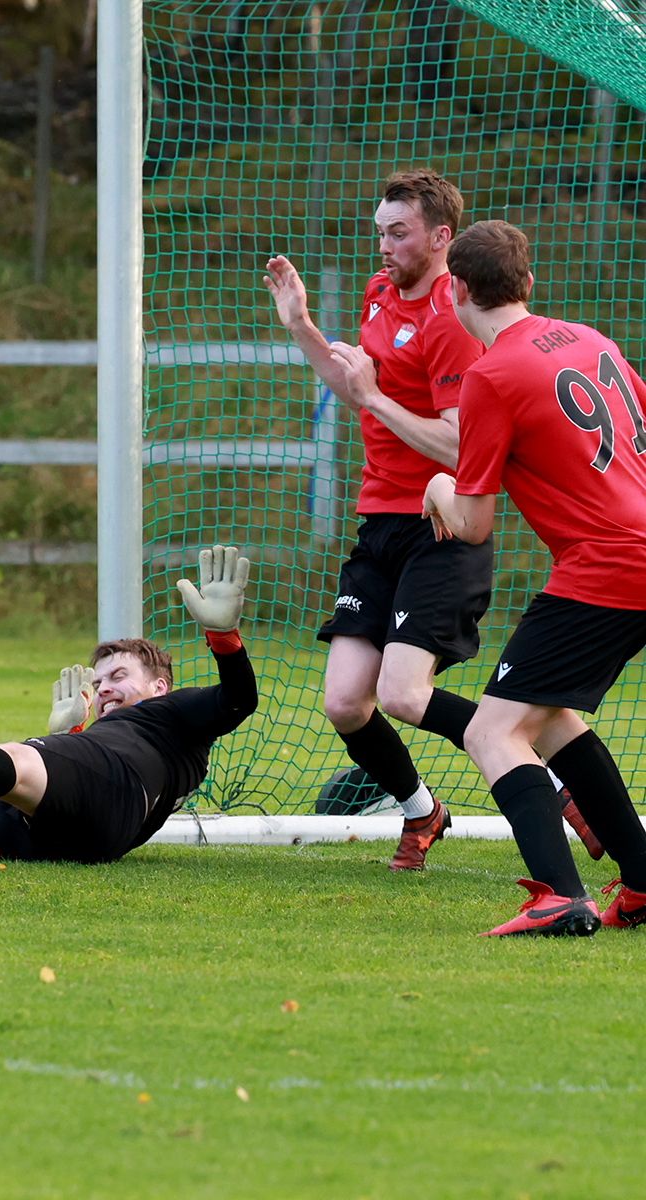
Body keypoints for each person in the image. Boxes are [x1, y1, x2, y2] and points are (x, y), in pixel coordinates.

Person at [421, 220, 646, 937]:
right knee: (547, 721)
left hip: (606, 563)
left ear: (456, 288)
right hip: (632, 553)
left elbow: (475, 522)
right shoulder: (590, 338)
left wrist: (435, 484)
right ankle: (641, 880)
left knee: (492, 731)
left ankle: (558, 893)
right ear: (528, 282)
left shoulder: (492, 374)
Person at [264, 170, 489, 871]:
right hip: (378, 524)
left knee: (400, 693)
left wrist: (375, 400)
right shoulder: (378, 293)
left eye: (399, 233)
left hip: (440, 523)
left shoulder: (454, 318)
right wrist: (301, 325)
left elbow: (461, 444)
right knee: (344, 702)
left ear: (440, 237)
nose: (385, 245)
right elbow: (352, 386)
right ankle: (423, 812)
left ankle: (543, 767)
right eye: (379, 232)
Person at [0, 546, 256, 864]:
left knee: (20, 757)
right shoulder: (107, 740)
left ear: (160, 687)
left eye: (118, 677)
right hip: (46, 839)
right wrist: (69, 735)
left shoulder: (173, 713)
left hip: (118, 794)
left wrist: (223, 636)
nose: (102, 690)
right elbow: (76, 785)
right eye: (97, 683)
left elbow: (238, 701)